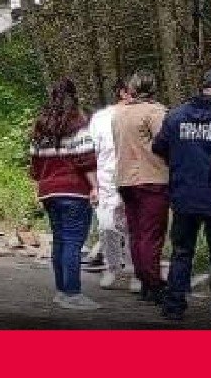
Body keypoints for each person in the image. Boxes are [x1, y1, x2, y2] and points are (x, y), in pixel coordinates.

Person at [152, 66, 211, 323]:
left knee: (181, 252)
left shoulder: (176, 115)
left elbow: (159, 146)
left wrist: (179, 161)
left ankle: (174, 306)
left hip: (184, 195)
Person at [28, 78, 101, 310]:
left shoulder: (40, 127)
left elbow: (35, 163)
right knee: (72, 242)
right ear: (74, 96)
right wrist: (95, 187)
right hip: (74, 192)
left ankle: (61, 290)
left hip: (49, 191)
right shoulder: (77, 123)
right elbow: (86, 159)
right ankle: (72, 293)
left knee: (59, 240)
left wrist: (38, 190)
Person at [113, 70, 170, 303]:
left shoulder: (119, 113)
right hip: (151, 177)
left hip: (125, 178)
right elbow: (164, 143)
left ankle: (144, 279)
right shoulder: (155, 112)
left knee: (136, 233)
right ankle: (154, 283)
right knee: (152, 234)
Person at [87, 79, 136, 291]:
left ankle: (136, 271)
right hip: (106, 180)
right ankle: (112, 267)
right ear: (123, 93)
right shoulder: (100, 118)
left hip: (134, 178)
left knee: (134, 228)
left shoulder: (144, 115)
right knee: (107, 226)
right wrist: (93, 185)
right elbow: (91, 152)